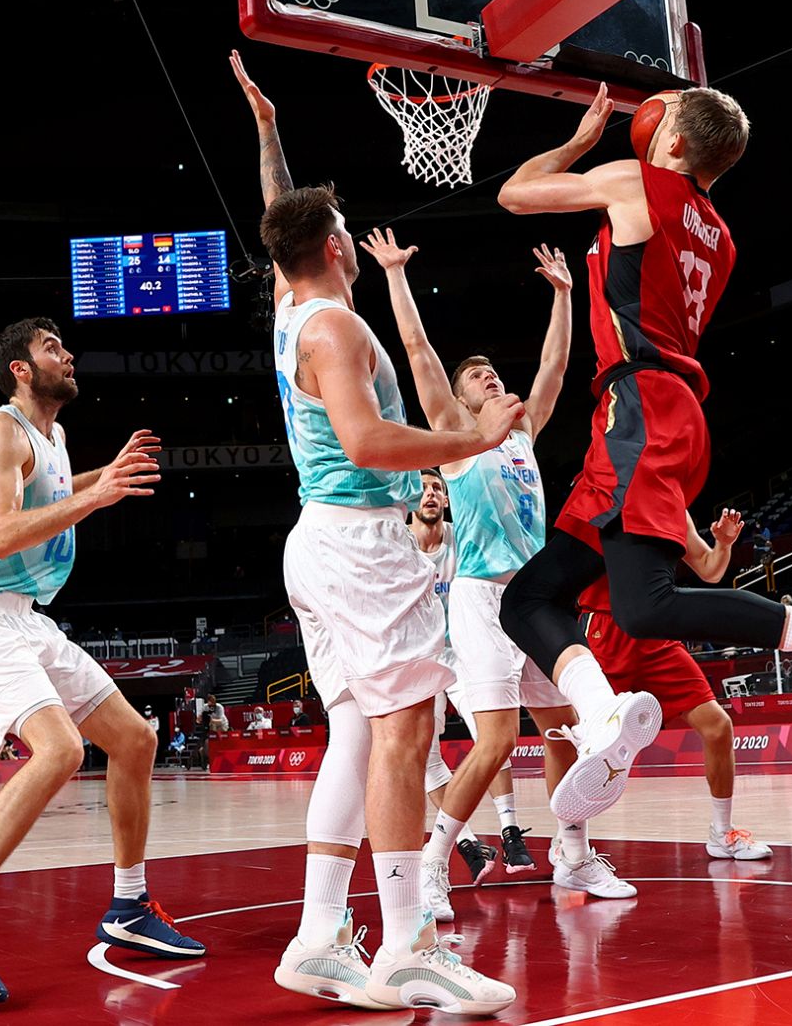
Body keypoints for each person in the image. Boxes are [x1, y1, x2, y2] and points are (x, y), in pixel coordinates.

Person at [494, 84, 792, 824]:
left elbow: (515, 194)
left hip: (643, 409)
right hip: (655, 410)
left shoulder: (637, 182)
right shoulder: (720, 238)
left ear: (674, 142)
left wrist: (579, 139)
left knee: (645, 605)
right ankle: (601, 712)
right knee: (529, 597)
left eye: (651, 124)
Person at [233, 50, 516, 1014]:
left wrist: (270, 134)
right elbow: (362, 436)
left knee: (354, 730)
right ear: (341, 245)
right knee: (404, 729)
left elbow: (285, 225)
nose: (352, 236)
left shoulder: (292, 306)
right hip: (359, 539)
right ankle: (407, 946)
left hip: (316, 542)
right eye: (346, 228)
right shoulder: (337, 332)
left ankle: (318, 936)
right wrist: (462, 442)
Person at [0, 318, 202, 1003]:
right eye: (50, 347)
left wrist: (108, 474)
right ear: (19, 368)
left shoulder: (53, 437)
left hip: (23, 615)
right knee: (61, 750)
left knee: (135, 739)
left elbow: (53, 490)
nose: (67, 354)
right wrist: (96, 497)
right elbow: (3, 532)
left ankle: (128, 905)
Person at [358, 226, 608, 910]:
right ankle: (436, 861)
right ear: (463, 399)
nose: (488, 375)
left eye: (492, 370)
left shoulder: (521, 433)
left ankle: (574, 853)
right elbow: (418, 352)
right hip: (478, 600)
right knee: (497, 739)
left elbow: (555, 370)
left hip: (534, 597)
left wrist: (564, 294)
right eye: (477, 375)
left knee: (563, 730)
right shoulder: (459, 439)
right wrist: (395, 276)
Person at [578, 510, 771, 860]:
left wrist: (723, 544)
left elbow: (710, 570)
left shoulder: (671, 506)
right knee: (588, 746)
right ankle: (571, 847)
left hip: (657, 637)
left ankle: (721, 833)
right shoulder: (599, 498)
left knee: (717, 727)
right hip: (606, 632)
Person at [408, 469, 529, 889]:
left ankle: (511, 831)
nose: (431, 495)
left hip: (462, 650)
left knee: (490, 735)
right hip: (418, 658)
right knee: (426, 759)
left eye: (438, 489)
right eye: (423, 489)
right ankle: (469, 843)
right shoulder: (399, 545)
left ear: (446, 500)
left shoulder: (462, 537)